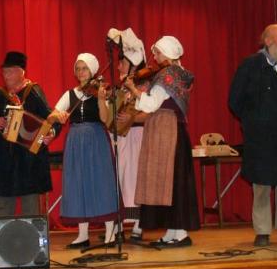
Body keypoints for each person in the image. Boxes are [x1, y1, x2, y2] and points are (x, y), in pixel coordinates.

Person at [229, 24, 277, 247]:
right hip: (261, 139)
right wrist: (254, 123)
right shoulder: (250, 65)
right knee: (261, 186)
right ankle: (262, 231)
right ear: (267, 41)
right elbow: (235, 100)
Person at [124, 36, 200, 247]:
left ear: (167, 53)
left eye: (157, 52)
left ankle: (180, 233)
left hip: (166, 131)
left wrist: (133, 89)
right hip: (174, 129)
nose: (154, 57)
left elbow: (149, 105)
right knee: (173, 183)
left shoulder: (166, 75)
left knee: (169, 183)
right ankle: (173, 232)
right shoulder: (180, 74)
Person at [50, 53, 118, 248]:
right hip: (75, 141)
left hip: (96, 139)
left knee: (101, 181)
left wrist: (101, 100)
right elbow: (52, 114)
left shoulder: (100, 91)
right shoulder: (70, 94)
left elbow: (105, 119)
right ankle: (82, 235)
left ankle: (110, 233)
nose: (81, 72)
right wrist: (59, 115)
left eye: (84, 68)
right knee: (77, 184)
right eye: (78, 69)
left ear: (93, 71)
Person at [0, 51, 60, 216]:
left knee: (30, 207)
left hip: (28, 160)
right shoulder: (0, 95)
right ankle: (3, 239)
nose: (6, 76)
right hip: (5, 158)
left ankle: (32, 240)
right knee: (2, 205)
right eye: (4, 72)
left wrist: (51, 133)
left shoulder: (33, 92)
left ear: (21, 72)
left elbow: (51, 117)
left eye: (10, 71)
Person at [105, 28, 149, 241]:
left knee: (136, 178)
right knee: (121, 178)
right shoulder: (119, 87)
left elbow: (150, 111)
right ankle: (121, 223)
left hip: (138, 137)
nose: (119, 65)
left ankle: (139, 223)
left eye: (122, 62)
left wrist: (132, 118)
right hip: (121, 139)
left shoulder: (143, 84)